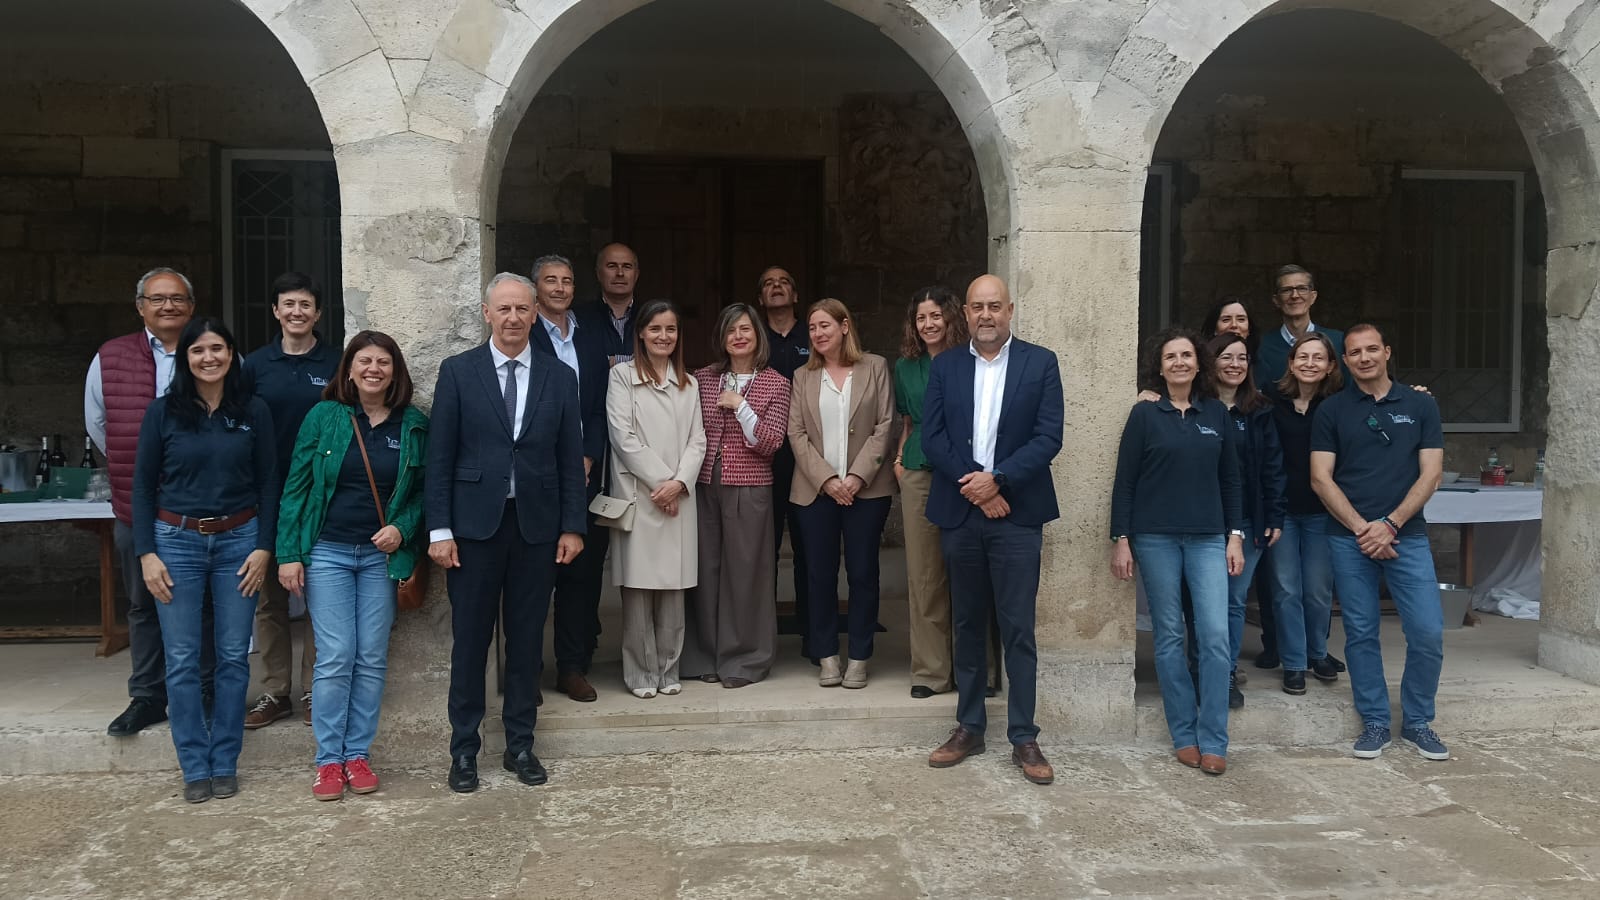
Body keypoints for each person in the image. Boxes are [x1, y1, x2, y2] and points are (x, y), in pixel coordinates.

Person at [427, 273, 586, 793]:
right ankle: (464, 751)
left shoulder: (559, 376)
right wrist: (439, 530)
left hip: (536, 527)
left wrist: (573, 526)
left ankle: (520, 744)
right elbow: (439, 457)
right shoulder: (458, 371)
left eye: (522, 309)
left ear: (535, 314)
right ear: (486, 313)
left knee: (525, 640)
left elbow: (570, 459)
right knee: (471, 642)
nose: (514, 318)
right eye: (504, 309)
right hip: (473, 530)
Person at [922, 275, 1063, 787]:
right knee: (967, 623)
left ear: (1010, 310)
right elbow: (932, 436)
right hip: (962, 513)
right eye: (978, 307)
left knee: (1018, 627)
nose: (986, 315)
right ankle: (969, 726)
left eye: (995, 306)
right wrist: (977, 487)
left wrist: (998, 479)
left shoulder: (1040, 363)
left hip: (1017, 517)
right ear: (965, 312)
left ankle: (1024, 735)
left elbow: (1049, 437)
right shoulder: (945, 366)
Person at [276, 331, 428, 801]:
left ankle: (357, 755)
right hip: (328, 552)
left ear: (395, 372)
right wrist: (288, 553)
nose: (373, 370)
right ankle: (328, 761)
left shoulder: (413, 425)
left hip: (381, 557)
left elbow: (425, 493)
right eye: (365, 361)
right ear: (349, 369)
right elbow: (296, 486)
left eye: (383, 362)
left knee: (371, 656)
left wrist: (402, 528)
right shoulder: (324, 417)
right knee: (337, 654)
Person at [132, 318, 278, 803]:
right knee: (182, 659)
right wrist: (147, 553)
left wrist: (264, 546)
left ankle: (225, 760)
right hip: (176, 542)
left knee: (234, 656)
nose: (208, 358)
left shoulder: (253, 410)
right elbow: (141, 487)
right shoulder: (163, 413)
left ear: (232, 355)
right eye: (198, 350)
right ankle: (194, 764)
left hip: (239, 542)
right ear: (186, 358)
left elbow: (269, 483)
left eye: (217, 349)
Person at [1310, 323, 1450, 761]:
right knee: (1361, 633)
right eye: (1355, 352)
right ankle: (1374, 720)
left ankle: (1418, 721)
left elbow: (1432, 473)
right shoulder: (1331, 410)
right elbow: (1320, 478)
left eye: (1372, 349)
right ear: (1345, 360)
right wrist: (1362, 529)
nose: (1364, 358)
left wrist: (1390, 524)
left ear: (1387, 352)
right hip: (1348, 539)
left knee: (1427, 631)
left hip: (1407, 536)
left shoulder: (1421, 404)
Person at [1110, 327, 1244, 776]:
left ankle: (1215, 739)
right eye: (1171, 357)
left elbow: (1231, 480)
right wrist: (1121, 538)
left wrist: (1235, 535)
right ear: (1161, 366)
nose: (1180, 362)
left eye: (1187, 355)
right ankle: (1184, 734)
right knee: (1168, 635)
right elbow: (1125, 480)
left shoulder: (1216, 414)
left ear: (1198, 363)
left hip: (1208, 538)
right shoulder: (1145, 414)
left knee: (1215, 636)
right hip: (1155, 538)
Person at [84, 266, 210, 737]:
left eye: (177, 298)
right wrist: (139, 467)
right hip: (135, 502)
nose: (168, 306)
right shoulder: (111, 357)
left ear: (191, 307)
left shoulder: (211, 351)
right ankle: (148, 696)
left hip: (199, 503)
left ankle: (204, 691)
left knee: (203, 602)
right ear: (140, 307)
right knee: (142, 601)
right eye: (157, 299)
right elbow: (98, 424)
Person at [241, 271, 338, 730]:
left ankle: (315, 689)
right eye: (289, 304)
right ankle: (275, 691)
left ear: (317, 313)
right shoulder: (255, 366)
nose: (297, 312)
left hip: (322, 496)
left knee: (319, 595)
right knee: (270, 599)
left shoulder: (336, 362)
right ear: (276, 311)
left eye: (305, 305)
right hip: (269, 493)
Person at [787, 298, 894, 691]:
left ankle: (860, 656)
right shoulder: (803, 375)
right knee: (819, 575)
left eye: (825, 326)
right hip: (816, 492)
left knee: (863, 573)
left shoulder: (875, 367)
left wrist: (857, 477)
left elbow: (885, 425)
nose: (818, 333)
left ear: (844, 326)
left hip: (867, 491)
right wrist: (829, 479)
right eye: (813, 328)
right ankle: (827, 655)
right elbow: (796, 433)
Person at [683, 303, 791, 688]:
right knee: (705, 570)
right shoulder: (703, 379)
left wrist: (742, 405)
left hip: (750, 484)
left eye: (746, 329)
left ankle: (745, 659)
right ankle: (706, 655)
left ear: (758, 335)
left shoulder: (776, 383)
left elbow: (771, 443)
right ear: (722, 338)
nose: (739, 336)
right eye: (731, 330)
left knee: (746, 574)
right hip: (704, 484)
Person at [605, 300, 707, 698]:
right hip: (640, 494)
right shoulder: (622, 376)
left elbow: (698, 440)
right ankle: (640, 673)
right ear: (641, 334)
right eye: (655, 329)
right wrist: (662, 484)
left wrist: (679, 484)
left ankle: (669, 668)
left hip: (678, 496)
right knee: (638, 589)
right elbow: (623, 437)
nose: (663, 336)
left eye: (671, 329)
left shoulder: (689, 383)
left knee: (673, 589)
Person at [529, 254, 611, 703]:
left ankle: (573, 666)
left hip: (583, 474)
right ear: (536, 288)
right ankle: (527, 670)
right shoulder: (525, 334)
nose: (560, 288)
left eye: (566, 280)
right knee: (534, 577)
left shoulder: (589, 335)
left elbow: (599, 405)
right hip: (538, 473)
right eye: (550, 280)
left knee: (582, 574)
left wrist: (588, 454)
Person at [893, 286, 969, 699]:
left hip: (966, 473)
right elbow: (907, 422)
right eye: (921, 318)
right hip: (920, 470)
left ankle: (976, 670)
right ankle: (930, 672)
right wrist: (899, 459)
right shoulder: (906, 367)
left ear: (951, 317)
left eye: (935, 316)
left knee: (969, 571)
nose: (928, 324)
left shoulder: (972, 359)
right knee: (924, 575)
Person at [1206, 332, 1284, 708]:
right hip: (1203, 519)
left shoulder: (1260, 410)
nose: (1235, 364)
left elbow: (1273, 467)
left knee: (1234, 600)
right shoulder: (1196, 406)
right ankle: (1202, 668)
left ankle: (1225, 673)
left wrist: (1274, 514)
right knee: (1204, 601)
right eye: (1226, 357)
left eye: (1242, 358)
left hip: (1249, 519)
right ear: (1211, 362)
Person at [1268, 332, 1344, 695]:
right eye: (1303, 356)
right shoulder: (1271, 401)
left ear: (1330, 366)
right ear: (1291, 362)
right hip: (1282, 511)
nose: (1309, 363)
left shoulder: (1339, 406)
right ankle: (1294, 663)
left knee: (1317, 589)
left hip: (1322, 511)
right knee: (1286, 589)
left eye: (1318, 358)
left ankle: (1318, 653)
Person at [757, 266, 813, 658]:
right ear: (761, 298)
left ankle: (813, 633)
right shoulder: (752, 337)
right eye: (768, 284)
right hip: (764, 459)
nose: (776, 287)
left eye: (784, 282)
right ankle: (763, 636)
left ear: (795, 295)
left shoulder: (814, 334)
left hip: (808, 457)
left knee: (811, 550)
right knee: (765, 550)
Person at [1254, 264, 1346, 389]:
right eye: (1286, 290)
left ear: (1313, 297)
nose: (1295, 295)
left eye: (1302, 288)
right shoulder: (1261, 347)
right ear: (1276, 300)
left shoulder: (1338, 341)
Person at [578, 242, 639, 367]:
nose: (620, 273)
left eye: (627, 266)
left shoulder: (651, 317)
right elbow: (579, 361)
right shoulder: (578, 318)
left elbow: (662, 362)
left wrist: (611, 361)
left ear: (636, 274)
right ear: (598, 273)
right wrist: (638, 362)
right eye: (612, 266)